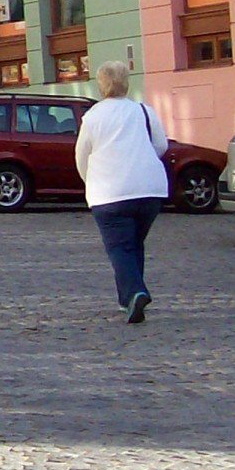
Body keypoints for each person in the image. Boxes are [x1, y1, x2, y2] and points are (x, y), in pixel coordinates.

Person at [74, 60, 171, 323]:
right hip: (149, 189)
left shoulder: (93, 116)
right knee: (133, 243)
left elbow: (81, 155)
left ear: (101, 85)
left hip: (109, 192)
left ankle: (135, 292)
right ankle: (126, 298)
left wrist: (90, 181)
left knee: (119, 247)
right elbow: (160, 145)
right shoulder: (143, 111)